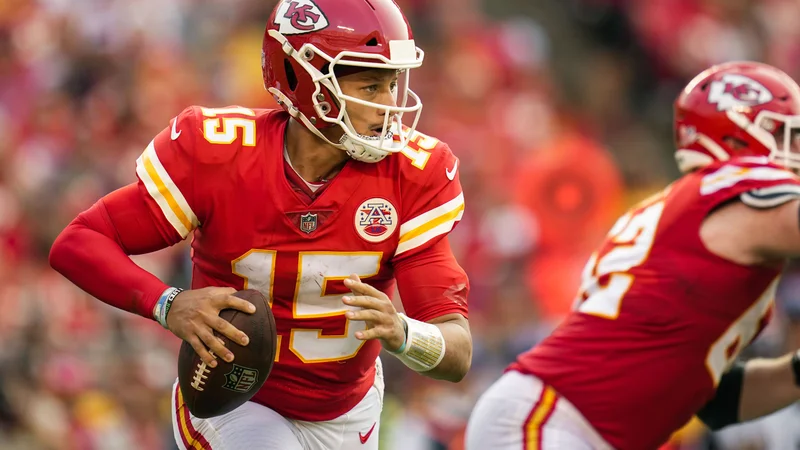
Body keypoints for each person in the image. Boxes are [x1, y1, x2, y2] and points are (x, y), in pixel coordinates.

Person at [49, 0, 472, 449]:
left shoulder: (413, 175)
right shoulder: (221, 156)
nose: (390, 106)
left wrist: (405, 333)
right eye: (370, 86)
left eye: (392, 83)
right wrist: (169, 304)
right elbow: (78, 243)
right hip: (235, 399)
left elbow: (457, 351)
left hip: (350, 412)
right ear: (304, 79)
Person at [465, 61, 800, 450]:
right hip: (556, 419)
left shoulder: (688, 211)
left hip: (564, 421)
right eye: (784, 134)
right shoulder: (732, 185)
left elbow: (713, 400)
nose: (794, 149)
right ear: (739, 140)